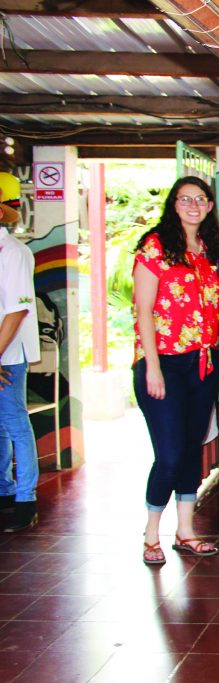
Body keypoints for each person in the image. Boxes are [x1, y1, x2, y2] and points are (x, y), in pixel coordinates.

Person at [133, 176, 219, 563]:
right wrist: (152, 366)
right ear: (174, 204)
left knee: (190, 449)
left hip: (203, 363)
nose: (193, 205)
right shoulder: (155, 246)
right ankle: (151, 533)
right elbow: (142, 310)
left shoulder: (210, 250)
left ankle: (185, 531)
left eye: (200, 199)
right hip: (163, 363)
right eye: (185, 199)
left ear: (208, 206)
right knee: (169, 454)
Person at [0, 171, 40, 533]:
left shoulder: (13, 252)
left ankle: (25, 498)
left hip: (8, 354)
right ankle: (4, 490)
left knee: (14, 422)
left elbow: (17, 309)